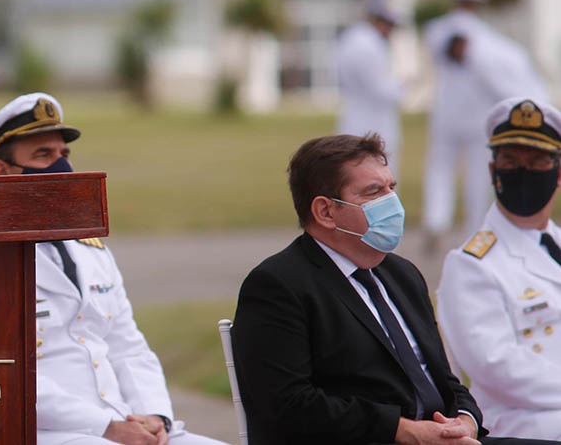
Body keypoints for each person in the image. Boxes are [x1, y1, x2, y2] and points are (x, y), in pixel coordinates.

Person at [232, 133, 559, 444]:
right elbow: (290, 405)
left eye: (392, 187)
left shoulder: (401, 275)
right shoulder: (279, 285)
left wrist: (466, 421)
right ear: (325, 211)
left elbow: (444, 380)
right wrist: (403, 431)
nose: (392, 202)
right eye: (374, 192)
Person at [0, 92, 227, 445]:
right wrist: (106, 426)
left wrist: (156, 415)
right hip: (47, 432)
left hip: (124, 422)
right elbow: (0, 370)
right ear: (2, 173)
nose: (62, 168)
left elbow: (127, 344)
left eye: (64, 154)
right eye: (43, 155)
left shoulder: (89, 249)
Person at [437, 97, 561, 439]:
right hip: (524, 426)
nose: (522, 172)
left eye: (536, 162)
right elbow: (497, 367)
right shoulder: (470, 265)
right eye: (510, 161)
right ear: (493, 171)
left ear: (558, 173)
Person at [422, 0, 548, 249]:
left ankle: (436, 219)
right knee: (477, 175)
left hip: (446, 113)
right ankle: (473, 228)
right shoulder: (488, 40)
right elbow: (503, 82)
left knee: (440, 168)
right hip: (476, 116)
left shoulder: (437, 30)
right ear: (478, 3)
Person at [334, 0, 405, 175]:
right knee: (380, 177)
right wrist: (402, 88)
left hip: (352, 116)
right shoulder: (370, 45)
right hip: (375, 121)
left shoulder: (349, 39)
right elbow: (380, 89)